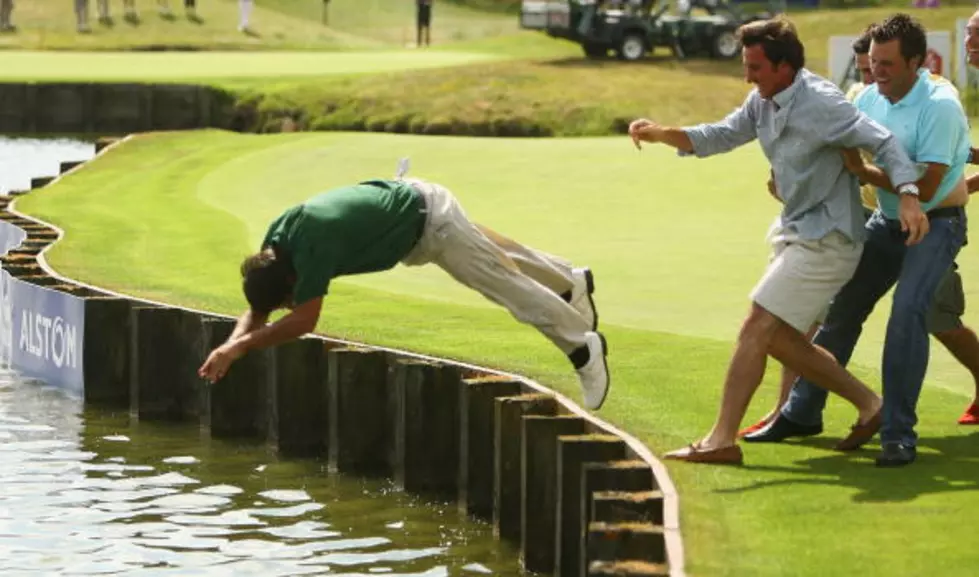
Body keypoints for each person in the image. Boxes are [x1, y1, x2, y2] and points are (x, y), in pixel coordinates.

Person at [628, 15, 922, 465]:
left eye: (756, 67)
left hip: (832, 238)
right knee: (780, 339)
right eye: (747, 66)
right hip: (795, 229)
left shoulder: (823, 102)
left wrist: (907, 196)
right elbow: (721, 134)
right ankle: (870, 404)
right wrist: (661, 132)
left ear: (785, 66)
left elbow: (884, 143)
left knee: (756, 325)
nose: (748, 75)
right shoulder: (761, 99)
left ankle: (721, 440)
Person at [746, 14, 971, 467]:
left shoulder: (940, 104)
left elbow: (925, 189)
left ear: (916, 62)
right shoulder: (869, 96)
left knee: (909, 314)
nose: (878, 73)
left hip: (937, 224)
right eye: (873, 63)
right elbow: (830, 144)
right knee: (843, 309)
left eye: (887, 64)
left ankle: (897, 432)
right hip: (886, 222)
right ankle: (802, 411)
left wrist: (864, 172)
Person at [198, 165, 610, 411]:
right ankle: (570, 282)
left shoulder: (312, 249)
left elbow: (305, 321)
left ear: (290, 280)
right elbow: (259, 309)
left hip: (431, 226)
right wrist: (228, 347)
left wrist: (243, 347)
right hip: (418, 199)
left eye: (286, 298)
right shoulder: (277, 242)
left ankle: (581, 347)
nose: (290, 303)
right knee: (498, 255)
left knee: (504, 286)